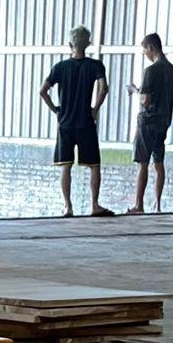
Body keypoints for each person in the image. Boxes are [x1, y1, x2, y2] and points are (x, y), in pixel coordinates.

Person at [39, 27, 114, 217]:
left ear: (70, 44)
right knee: (94, 165)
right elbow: (104, 88)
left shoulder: (59, 67)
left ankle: (68, 207)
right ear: (88, 43)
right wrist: (95, 109)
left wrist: (56, 110)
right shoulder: (96, 66)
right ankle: (94, 205)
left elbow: (42, 91)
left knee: (66, 165)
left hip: (65, 123)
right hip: (86, 122)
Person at [127, 32, 173, 214]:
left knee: (142, 162)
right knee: (158, 163)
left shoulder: (150, 71)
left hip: (148, 122)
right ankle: (157, 205)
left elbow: (145, 100)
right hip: (164, 122)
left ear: (150, 47)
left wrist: (134, 90)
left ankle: (138, 205)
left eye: (145, 51)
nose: (146, 54)